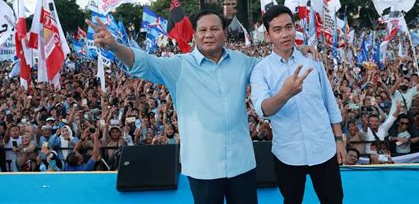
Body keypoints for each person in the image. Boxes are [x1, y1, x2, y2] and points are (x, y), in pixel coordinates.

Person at [88, 10, 316, 204]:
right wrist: (115, 47)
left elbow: (272, 68)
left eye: (215, 29)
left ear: (225, 34)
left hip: (241, 163)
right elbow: (143, 62)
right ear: (194, 36)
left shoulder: (243, 62)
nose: (209, 35)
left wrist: (297, 51)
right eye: (203, 30)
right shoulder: (179, 66)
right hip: (203, 166)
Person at [250, 5, 344, 204]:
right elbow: (263, 110)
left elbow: (329, 102)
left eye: (288, 27)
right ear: (268, 35)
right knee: (292, 200)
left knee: (334, 200)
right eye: (277, 30)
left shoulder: (312, 59)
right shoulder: (261, 70)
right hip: (287, 152)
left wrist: (338, 139)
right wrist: (284, 94)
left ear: (295, 28)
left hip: (323, 147)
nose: (285, 34)